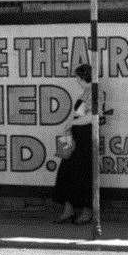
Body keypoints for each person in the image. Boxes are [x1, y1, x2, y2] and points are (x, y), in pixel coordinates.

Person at [52, 62, 105, 225]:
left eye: (77, 77)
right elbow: (78, 116)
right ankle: (68, 210)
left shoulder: (96, 92)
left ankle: (87, 211)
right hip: (77, 137)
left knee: (84, 174)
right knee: (66, 173)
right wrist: (69, 127)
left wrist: (72, 124)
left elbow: (94, 117)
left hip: (88, 138)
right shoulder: (85, 92)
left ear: (83, 77)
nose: (76, 80)